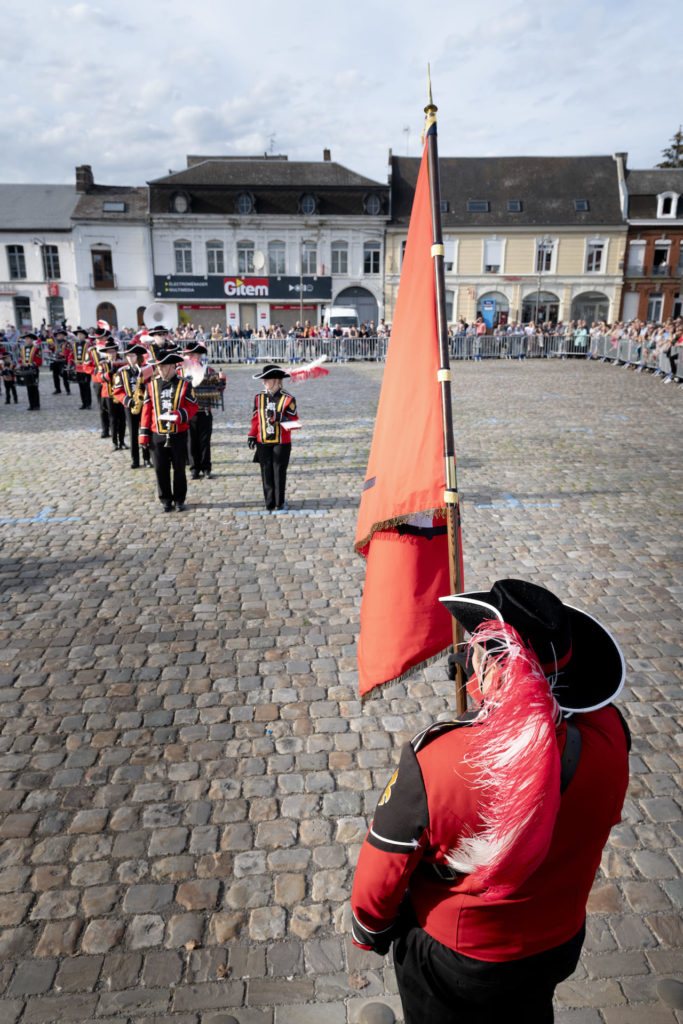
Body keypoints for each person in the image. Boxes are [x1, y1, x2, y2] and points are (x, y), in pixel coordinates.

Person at [351, 579, 630, 1024]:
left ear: (496, 669)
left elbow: (378, 880)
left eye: (479, 646)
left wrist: (371, 932)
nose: (469, 651)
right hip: (557, 940)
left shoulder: (437, 762)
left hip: (459, 959)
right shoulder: (612, 736)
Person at [139, 349, 198, 512]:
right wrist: (143, 436)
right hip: (157, 434)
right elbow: (146, 411)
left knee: (179, 468)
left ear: (172, 366)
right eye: (158, 366)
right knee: (160, 469)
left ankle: (179, 499)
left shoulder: (185, 384)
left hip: (178, 433)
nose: (160, 369)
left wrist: (179, 415)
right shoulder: (151, 385)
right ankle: (165, 499)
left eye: (163, 366)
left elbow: (193, 406)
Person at [247, 364, 299, 512]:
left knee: (278, 472)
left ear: (277, 380)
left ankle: (279, 502)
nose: (264, 382)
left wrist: (280, 418)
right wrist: (251, 435)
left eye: (267, 379)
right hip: (262, 441)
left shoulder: (289, 399)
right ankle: (269, 502)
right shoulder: (258, 397)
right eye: (263, 380)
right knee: (266, 472)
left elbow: (295, 423)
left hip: (282, 442)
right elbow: (256, 419)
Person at [113, 341, 153, 469]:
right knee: (133, 433)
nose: (131, 358)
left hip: (145, 405)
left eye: (133, 356)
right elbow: (117, 391)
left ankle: (147, 458)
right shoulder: (122, 371)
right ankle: (135, 459)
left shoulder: (146, 369)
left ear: (138, 357)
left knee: (145, 431)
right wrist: (127, 401)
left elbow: (153, 386)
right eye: (128, 356)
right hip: (130, 405)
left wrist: (146, 390)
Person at [18, 332, 42, 410]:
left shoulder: (37, 349)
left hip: (33, 370)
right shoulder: (22, 349)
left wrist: (31, 364)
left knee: (34, 387)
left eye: (28, 339)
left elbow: (39, 361)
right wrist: (20, 365)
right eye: (25, 339)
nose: (26, 340)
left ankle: (37, 405)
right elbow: (20, 359)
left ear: (32, 340)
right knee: (28, 388)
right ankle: (31, 405)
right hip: (25, 370)